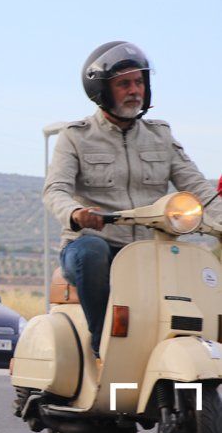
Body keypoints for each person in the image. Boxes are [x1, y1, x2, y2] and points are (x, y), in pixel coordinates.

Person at [44, 41, 222, 357]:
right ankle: (104, 345)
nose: (134, 90)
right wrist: (76, 212)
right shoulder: (76, 136)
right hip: (92, 244)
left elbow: (201, 192)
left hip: (151, 248)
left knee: (198, 270)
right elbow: (54, 190)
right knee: (93, 251)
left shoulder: (161, 136)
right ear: (101, 90)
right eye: (124, 83)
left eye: (139, 82)